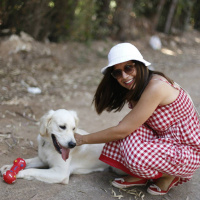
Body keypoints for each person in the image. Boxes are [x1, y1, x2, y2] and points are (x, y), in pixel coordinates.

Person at [75, 43, 200, 195]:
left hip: (187, 150)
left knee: (133, 151)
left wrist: (82, 139)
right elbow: (126, 129)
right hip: (164, 139)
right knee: (125, 134)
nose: (124, 76)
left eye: (128, 67)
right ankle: (142, 175)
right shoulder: (139, 86)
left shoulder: (156, 87)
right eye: (117, 73)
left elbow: (122, 131)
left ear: (140, 65)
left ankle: (170, 175)